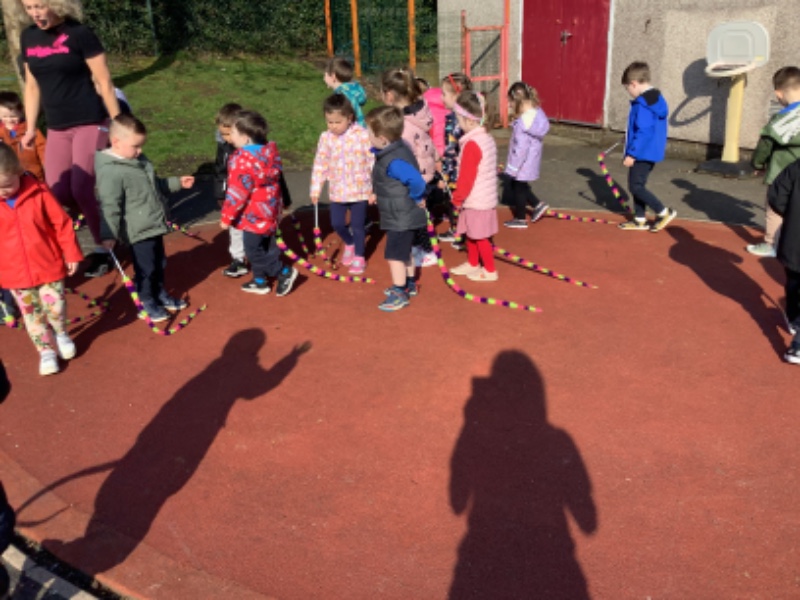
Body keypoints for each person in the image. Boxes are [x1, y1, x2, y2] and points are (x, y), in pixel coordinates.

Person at [16, 0, 121, 277]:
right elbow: (32, 87)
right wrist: (30, 128)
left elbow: (104, 82)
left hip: (90, 119)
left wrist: (119, 124)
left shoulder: (79, 33)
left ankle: (105, 246)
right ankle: (106, 221)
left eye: (40, 6)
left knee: (82, 188)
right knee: (58, 191)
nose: (35, 13)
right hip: (57, 126)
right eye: (29, 8)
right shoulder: (28, 37)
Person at [96, 114, 194, 322]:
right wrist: (108, 234)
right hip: (138, 230)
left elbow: (154, 185)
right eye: (136, 146)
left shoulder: (138, 160)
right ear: (116, 142)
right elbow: (110, 206)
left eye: (141, 146)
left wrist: (177, 183)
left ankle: (159, 293)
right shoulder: (111, 173)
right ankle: (146, 300)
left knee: (160, 263)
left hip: (154, 223)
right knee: (146, 268)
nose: (140, 151)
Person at [0, 145, 83, 376]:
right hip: (14, 272)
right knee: (31, 314)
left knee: (55, 306)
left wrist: (71, 252)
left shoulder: (38, 192)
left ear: (18, 172)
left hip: (47, 264)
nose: (3, 192)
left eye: (7, 185)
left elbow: (62, 223)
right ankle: (45, 350)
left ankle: (61, 333)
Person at [220, 110, 298, 297]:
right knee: (266, 245)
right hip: (270, 209)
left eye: (234, 133)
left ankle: (283, 271)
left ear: (245, 137)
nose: (231, 137)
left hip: (253, 214)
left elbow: (237, 192)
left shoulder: (241, 160)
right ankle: (260, 280)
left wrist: (226, 217)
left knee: (253, 249)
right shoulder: (269, 153)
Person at [366, 106, 427, 311]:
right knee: (405, 251)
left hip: (401, 216)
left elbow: (416, 181)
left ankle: (399, 291)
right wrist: (377, 193)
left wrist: (417, 197)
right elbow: (390, 182)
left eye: (369, 133)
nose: (367, 136)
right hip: (402, 214)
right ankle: (409, 283)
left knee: (394, 255)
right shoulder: (395, 150)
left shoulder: (393, 160)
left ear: (382, 138)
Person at [310, 94, 374, 275]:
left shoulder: (362, 135)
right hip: (338, 190)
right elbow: (320, 163)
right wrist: (316, 188)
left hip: (360, 190)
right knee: (337, 223)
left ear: (349, 117)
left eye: (337, 122)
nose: (333, 126)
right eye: (329, 122)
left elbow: (372, 161)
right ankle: (350, 242)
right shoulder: (326, 137)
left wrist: (373, 189)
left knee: (358, 225)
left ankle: (359, 256)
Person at [381, 68, 438, 267]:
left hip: (415, 176)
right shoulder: (420, 111)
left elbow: (403, 156)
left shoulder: (402, 126)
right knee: (420, 212)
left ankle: (426, 250)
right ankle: (422, 247)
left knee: (415, 215)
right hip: (425, 171)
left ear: (389, 95)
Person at [617, 61, 677, 232]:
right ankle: (640, 219)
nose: (629, 92)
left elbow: (643, 130)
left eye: (628, 88)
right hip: (650, 150)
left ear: (634, 84)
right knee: (637, 185)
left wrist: (632, 153)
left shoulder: (642, 104)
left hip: (642, 152)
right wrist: (628, 137)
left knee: (635, 186)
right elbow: (644, 128)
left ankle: (663, 211)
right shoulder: (655, 99)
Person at [748, 66, 800, 257]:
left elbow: (765, 144)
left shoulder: (780, 119)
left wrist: (757, 164)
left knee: (774, 208)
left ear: (779, 94)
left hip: (781, 171)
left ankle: (771, 244)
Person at [448, 91, 500, 282]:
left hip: (477, 199)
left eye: (458, 119)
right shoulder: (486, 138)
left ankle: (490, 270)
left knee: (480, 237)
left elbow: (466, 177)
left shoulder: (472, 144)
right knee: (471, 233)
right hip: (482, 196)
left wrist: (457, 198)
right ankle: (472, 262)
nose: (457, 123)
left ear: (469, 120)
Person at [502, 82, 551, 229]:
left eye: (511, 103)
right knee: (520, 185)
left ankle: (520, 218)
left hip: (523, 161)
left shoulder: (523, 123)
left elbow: (520, 148)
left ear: (518, 102)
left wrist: (512, 167)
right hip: (531, 159)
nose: (510, 106)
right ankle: (537, 204)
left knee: (518, 187)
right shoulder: (537, 114)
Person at [767, 158, 800, 363]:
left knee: (793, 279)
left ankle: (793, 315)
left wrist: (790, 214)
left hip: (794, 237)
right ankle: (797, 345)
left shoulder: (796, 167)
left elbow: (776, 196)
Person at [212, 102, 251, 278]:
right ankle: (238, 259)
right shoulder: (224, 147)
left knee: (255, 228)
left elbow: (274, 173)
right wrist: (220, 194)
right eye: (223, 134)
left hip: (254, 198)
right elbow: (220, 170)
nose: (226, 138)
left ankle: (263, 257)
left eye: (229, 134)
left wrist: (284, 197)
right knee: (235, 227)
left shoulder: (254, 146)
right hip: (233, 195)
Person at [438, 72, 473, 246]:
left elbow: (451, 150)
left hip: (455, 171)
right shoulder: (470, 116)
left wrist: (445, 174)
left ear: (456, 95)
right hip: (465, 167)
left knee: (454, 200)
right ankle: (462, 231)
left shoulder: (454, 120)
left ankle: (459, 232)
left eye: (444, 94)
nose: (441, 98)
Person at [0, 90, 46, 181]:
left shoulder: (30, 130)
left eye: (13, 116)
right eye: (4, 116)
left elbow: (43, 148)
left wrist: (47, 164)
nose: (9, 120)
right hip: (9, 178)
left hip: (34, 175)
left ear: (21, 112)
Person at [323, 56, 367, 127]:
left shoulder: (342, 95)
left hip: (351, 130)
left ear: (333, 76)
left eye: (325, 75)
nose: (324, 79)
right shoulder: (353, 89)